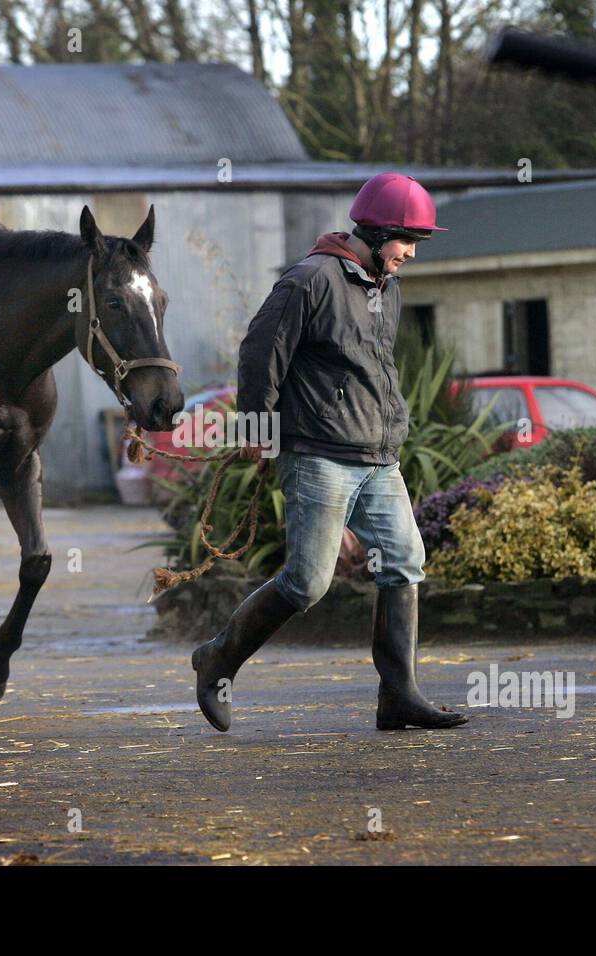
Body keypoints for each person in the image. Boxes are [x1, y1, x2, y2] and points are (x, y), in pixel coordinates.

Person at [190, 172, 468, 732]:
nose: (411, 253)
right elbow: (258, 355)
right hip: (318, 454)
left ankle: (398, 695)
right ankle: (217, 658)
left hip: (377, 456)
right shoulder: (310, 281)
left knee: (403, 560)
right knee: (307, 583)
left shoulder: (385, 288)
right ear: (377, 230)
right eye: (407, 240)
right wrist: (259, 433)